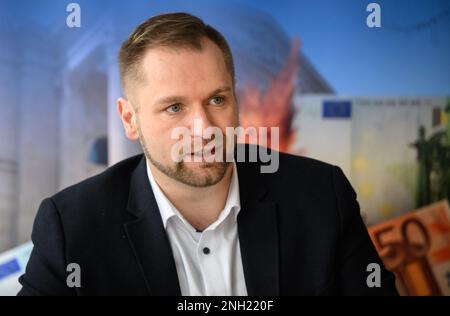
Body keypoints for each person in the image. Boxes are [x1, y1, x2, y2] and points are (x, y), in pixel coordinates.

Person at [18, 12, 398, 296]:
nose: (204, 129)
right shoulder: (72, 227)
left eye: (217, 99)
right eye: (174, 108)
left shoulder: (320, 196)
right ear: (129, 119)